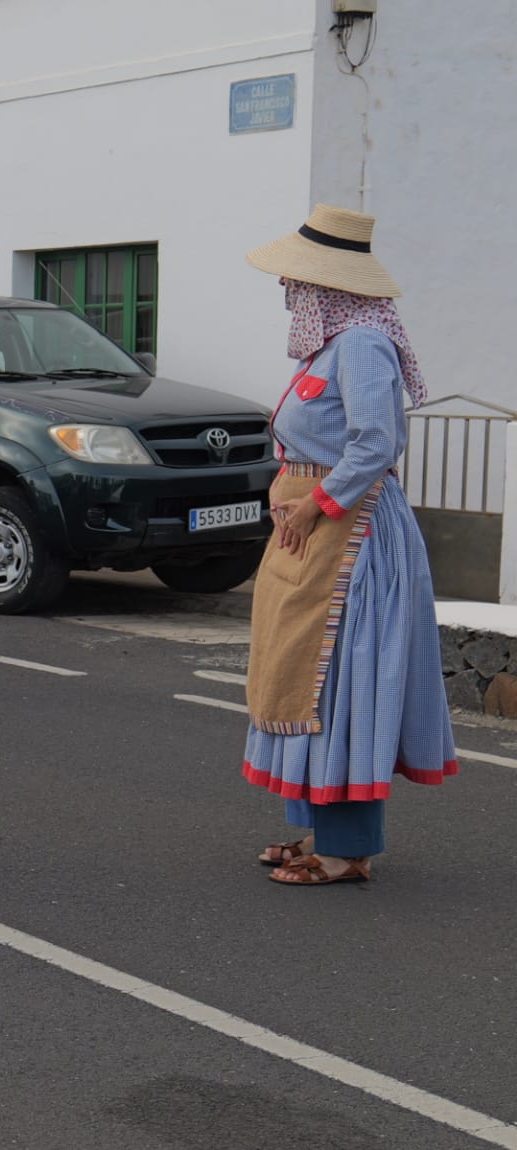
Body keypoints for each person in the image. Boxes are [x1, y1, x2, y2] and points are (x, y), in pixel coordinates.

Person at [239, 205, 458, 886]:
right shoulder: (334, 346)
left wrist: (318, 504)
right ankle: (320, 828)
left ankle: (346, 851)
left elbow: (376, 443)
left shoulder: (362, 344)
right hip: (317, 527)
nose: (285, 293)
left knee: (337, 679)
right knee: (306, 674)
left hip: (350, 533)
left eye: (292, 281)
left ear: (324, 285)